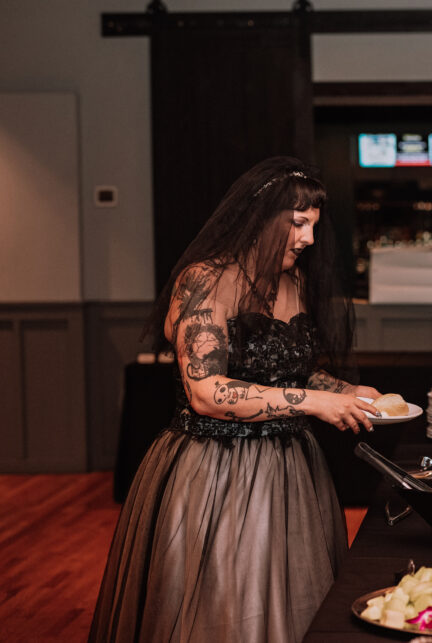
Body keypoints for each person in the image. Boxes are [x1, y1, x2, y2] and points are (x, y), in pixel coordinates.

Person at [90, 157, 383, 642]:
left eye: (312, 225)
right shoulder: (203, 280)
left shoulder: (294, 281)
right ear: (259, 218)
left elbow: (294, 369)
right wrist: (312, 403)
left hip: (290, 468)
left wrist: (346, 392)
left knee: (293, 605)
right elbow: (206, 392)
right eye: (296, 224)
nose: (308, 239)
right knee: (224, 605)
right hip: (215, 470)